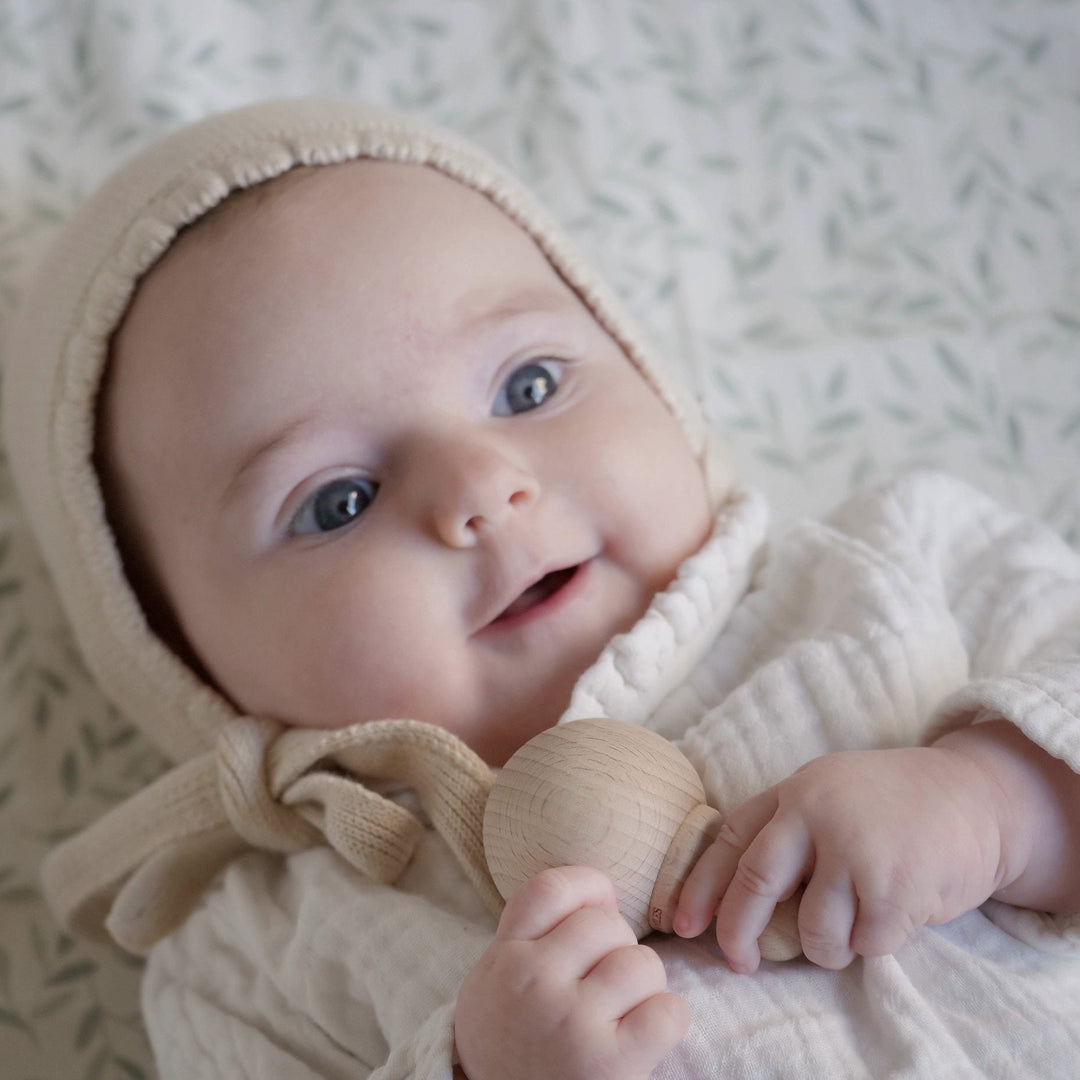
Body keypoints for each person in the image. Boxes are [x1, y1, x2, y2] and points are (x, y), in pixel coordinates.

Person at [4, 99, 1079, 1080]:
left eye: (528, 385)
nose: (480, 488)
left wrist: (1000, 801)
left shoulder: (889, 562)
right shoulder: (251, 953)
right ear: (182, 662)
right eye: (337, 500)